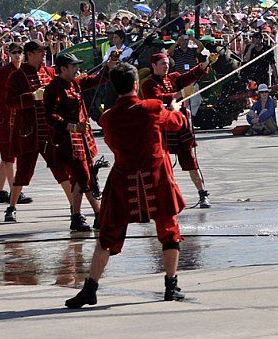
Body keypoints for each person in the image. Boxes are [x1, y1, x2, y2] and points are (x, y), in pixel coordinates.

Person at [64, 63, 189, 309]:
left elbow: (112, 142)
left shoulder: (108, 118)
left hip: (123, 180)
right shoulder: (152, 108)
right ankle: (170, 285)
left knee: (107, 236)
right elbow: (178, 123)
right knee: (169, 230)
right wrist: (175, 109)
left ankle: (91, 288)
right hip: (155, 177)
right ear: (135, 85)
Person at [44, 51, 117, 231]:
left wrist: (111, 62)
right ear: (63, 69)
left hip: (82, 139)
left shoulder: (75, 83)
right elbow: (50, 116)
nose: (77, 69)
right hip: (66, 141)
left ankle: (76, 217)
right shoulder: (54, 88)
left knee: (81, 179)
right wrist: (70, 126)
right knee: (85, 178)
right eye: (74, 66)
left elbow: (99, 79)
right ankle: (99, 215)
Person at [3, 41, 72, 223]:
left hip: (50, 131)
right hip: (29, 132)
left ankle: (74, 205)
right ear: (30, 54)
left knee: (60, 169)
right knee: (23, 171)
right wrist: (32, 97)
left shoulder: (49, 72)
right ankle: (11, 207)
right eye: (40, 52)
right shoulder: (17, 76)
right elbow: (10, 102)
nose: (43, 55)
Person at [141, 51, 215, 208]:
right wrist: (179, 94)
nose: (166, 66)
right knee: (162, 164)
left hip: (180, 128)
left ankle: (203, 194)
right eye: (163, 63)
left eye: (167, 63)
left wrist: (206, 63)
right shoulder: (148, 84)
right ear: (154, 66)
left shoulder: (173, 78)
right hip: (163, 130)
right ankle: (160, 196)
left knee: (191, 162)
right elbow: (157, 99)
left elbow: (190, 76)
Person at [0, 43, 31, 205]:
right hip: (4, 119)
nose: (18, 55)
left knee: (7, 158)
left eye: (20, 52)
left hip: (19, 120)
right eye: (14, 52)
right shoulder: (3, 72)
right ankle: (14, 192)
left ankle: (0, 191)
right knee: (9, 157)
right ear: (9, 55)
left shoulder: (25, 71)